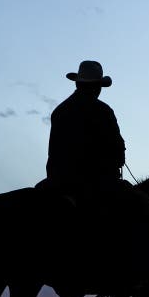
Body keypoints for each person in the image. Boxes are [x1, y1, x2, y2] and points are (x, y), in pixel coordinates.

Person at [43, 60, 126, 203]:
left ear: (77, 83)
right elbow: (118, 152)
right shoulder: (103, 110)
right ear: (98, 87)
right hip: (94, 182)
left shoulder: (59, 111)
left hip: (58, 180)